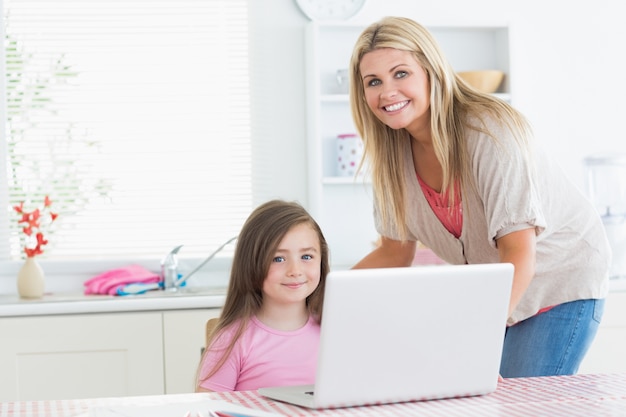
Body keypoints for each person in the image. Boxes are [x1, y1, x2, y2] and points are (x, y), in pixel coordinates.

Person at [348, 16, 611, 378]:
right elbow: (395, 251)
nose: (387, 92)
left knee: (517, 401)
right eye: (373, 81)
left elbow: (518, 251)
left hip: (559, 281)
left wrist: (473, 338)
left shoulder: (489, 132)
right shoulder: (392, 159)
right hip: (495, 291)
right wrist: (322, 297)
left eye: (401, 73)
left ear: (431, 71)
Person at [195, 199, 330, 391]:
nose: (295, 270)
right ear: (251, 265)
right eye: (278, 258)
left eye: (306, 257)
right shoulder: (232, 340)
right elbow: (205, 411)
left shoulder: (333, 331)